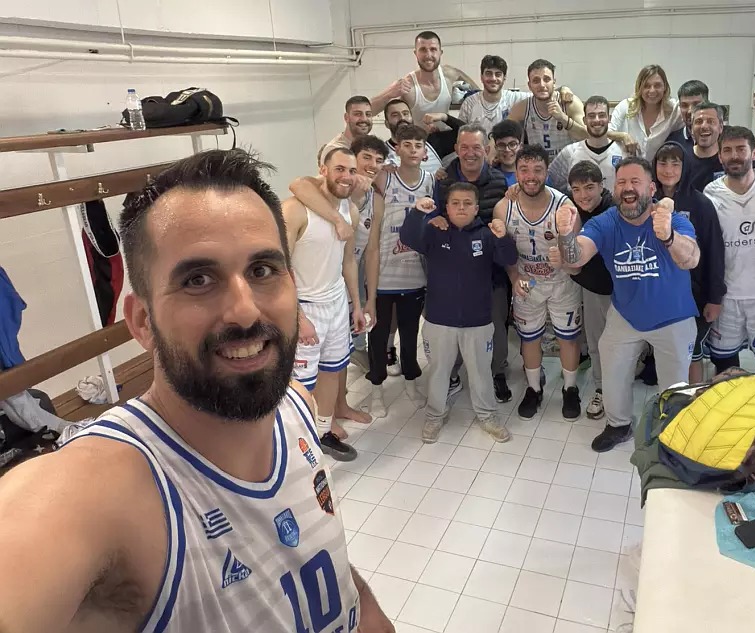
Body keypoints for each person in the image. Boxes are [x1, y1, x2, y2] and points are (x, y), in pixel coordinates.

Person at [0, 149, 394, 632]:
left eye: (262, 271)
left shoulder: (296, 405)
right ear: (142, 322)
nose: (245, 310)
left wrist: (370, 614)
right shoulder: (100, 490)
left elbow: (319, 556)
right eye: (198, 279)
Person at [555, 157, 701, 452]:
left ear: (652, 188)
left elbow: (692, 258)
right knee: (613, 372)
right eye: (621, 182)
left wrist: (669, 237)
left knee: (674, 385)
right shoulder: (605, 222)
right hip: (626, 314)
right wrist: (566, 234)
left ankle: (672, 435)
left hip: (673, 316)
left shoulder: (671, 219)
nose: (628, 188)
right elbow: (575, 258)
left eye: (635, 181)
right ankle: (618, 425)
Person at [401, 185, 519, 443]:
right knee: (439, 371)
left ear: (476, 208)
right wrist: (418, 213)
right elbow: (408, 237)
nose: (461, 207)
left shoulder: (486, 234)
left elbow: (509, 258)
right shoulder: (435, 231)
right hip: (439, 319)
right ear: (447, 207)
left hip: (478, 320)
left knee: (480, 372)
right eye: (455, 203)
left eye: (467, 203)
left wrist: (502, 237)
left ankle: (487, 416)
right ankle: (435, 415)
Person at [284, 146, 370, 463]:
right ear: (322, 170)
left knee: (333, 370)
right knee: (301, 384)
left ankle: (323, 434)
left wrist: (356, 305)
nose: (346, 176)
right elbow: (280, 268)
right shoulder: (294, 210)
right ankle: (298, 443)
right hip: (305, 305)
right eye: (339, 169)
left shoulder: (351, 211)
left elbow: (348, 261)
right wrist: (297, 316)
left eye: (351, 170)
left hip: (335, 303)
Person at [430, 124, 515, 403]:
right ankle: (452, 374)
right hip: (453, 273)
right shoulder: (443, 180)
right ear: (456, 149)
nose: (470, 153)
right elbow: (435, 220)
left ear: (486, 150)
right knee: (451, 328)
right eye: (464, 147)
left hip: (491, 271)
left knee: (496, 324)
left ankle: (497, 372)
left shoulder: (500, 181)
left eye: (476, 147)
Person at [498, 144, 583, 420]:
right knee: (529, 338)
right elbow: (505, 251)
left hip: (562, 282)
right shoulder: (504, 207)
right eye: (524, 170)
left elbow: (576, 255)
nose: (531, 176)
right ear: (516, 173)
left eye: (537, 170)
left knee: (568, 339)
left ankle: (570, 389)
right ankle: (534, 389)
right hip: (527, 282)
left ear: (547, 172)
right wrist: (514, 277)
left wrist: (564, 252)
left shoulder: (565, 206)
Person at [703, 126, 755, 377]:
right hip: (728, 297)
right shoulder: (710, 193)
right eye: (727, 150)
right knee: (725, 370)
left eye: (741, 149)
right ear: (720, 156)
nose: (734, 156)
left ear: (754, 152)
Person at [365, 124, 433, 416]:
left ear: (425, 150)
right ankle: (376, 389)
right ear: (397, 148)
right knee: (378, 337)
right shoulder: (385, 176)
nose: (413, 150)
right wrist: (380, 167)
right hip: (383, 273)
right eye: (407, 145)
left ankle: (411, 383)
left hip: (414, 272)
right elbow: (361, 179)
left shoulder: (430, 180)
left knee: (409, 334)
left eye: (418, 145)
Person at [654, 141, 726, 384]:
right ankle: (671, 397)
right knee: (667, 354)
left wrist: (714, 298)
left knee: (692, 353)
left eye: (675, 164)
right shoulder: (647, 201)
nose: (668, 170)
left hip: (693, 296)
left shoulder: (701, 204)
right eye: (663, 163)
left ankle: (693, 398)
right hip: (658, 293)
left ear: (685, 167)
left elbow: (715, 252)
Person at [565, 160, 615, 419]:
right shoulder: (570, 208)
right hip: (591, 287)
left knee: (619, 346)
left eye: (589, 187)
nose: (583, 195)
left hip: (620, 290)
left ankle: (618, 389)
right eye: (576, 189)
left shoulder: (615, 209)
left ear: (601, 186)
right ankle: (602, 389)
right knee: (596, 343)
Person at [370, 30, 478, 125]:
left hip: (446, 138)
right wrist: (388, 94)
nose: (428, 55)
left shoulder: (451, 74)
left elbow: (480, 95)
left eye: (433, 49)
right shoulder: (408, 86)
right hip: (419, 140)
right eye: (423, 50)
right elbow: (369, 112)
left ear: (440, 53)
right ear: (415, 53)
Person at [506, 59, 587, 160]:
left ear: (554, 82)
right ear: (529, 86)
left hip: (568, 164)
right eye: (536, 81)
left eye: (547, 79)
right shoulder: (522, 107)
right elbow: (503, 133)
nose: (542, 85)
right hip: (538, 165)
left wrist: (563, 118)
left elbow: (586, 137)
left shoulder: (569, 103)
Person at [548, 95, 627, 192]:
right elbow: (549, 184)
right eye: (591, 116)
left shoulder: (624, 152)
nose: (597, 120)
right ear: (584, 120)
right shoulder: (569, 153)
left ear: (609, 118)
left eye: (601, 115)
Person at [609, 65, 685, 161]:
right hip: (630, 166)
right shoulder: (625, 106)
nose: (652, 90)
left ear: (665, 87)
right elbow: (607, 132)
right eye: (646, 86)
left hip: (661, 168)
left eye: (657, 85)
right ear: (639, 88)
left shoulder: (675, 110)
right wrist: (624, 136)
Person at [458, 54, 531, 136]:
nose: (493, 78)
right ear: (481, 77)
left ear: (504, 78)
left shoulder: (515, 98)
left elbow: (537, 97)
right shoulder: (469, 103)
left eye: (498, 74)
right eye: (488, 74)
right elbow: (461, 135)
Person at [383, 98, 444, 176]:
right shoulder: (381, 152)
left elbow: (459, 132)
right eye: (395, 115)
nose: (402, 118)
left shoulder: (432, 142)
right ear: (387, 124)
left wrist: (443, 116)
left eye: (405, 113)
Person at [671, 79, 710, 151]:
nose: (690, 111)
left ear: (707, 105)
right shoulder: (672, 142)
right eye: (684, 105)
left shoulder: (723, 138)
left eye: (696, 104)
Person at [491, 119, 525, 186]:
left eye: (512, 144)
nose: (507, 150)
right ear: (496, 148)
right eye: (501, 145)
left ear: (520, 147)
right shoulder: (490, 177)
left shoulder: (531, 175)